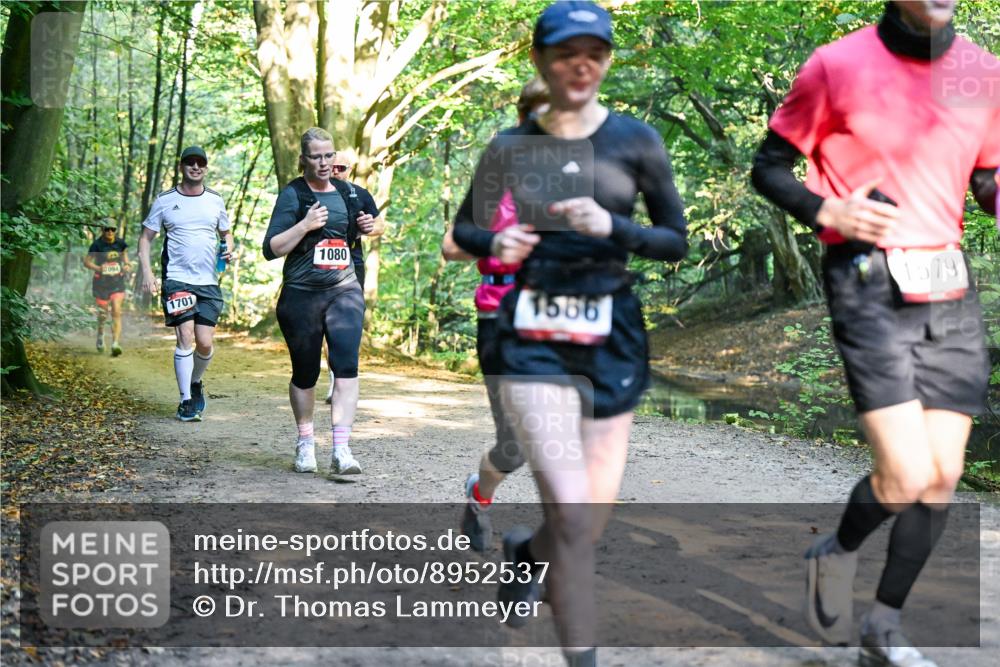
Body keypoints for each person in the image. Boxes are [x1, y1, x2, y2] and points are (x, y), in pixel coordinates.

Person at [751, 2, 998, 665]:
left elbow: (983, 175)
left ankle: (883, 626)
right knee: (906, 471)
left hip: (949, 286)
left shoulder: (975, 68)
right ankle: (835, 552)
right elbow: (768, 168)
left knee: (941, 477)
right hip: (866, 283)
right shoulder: (838, 65)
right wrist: (827, 207)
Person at [452, 3, 687, 665]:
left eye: (594, 52)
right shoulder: (510, 146)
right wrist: (496, 237)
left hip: (611, 334)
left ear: (607, 60)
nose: (580, 65)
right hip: (530, 338)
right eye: (564, 53)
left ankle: (527, 554)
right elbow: (466, 230)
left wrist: (613, 227)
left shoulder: (636, 140)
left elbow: (675, 241)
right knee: (575, 518)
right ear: (540, 61)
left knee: (581, 526)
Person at [441, 77, 550, 552]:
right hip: (499, 317)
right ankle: (479, 495)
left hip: (557, 318)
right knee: (515, 445)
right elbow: (450, 246)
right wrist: (497, 244)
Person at [262, 127, 376, 475]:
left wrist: (371, 226)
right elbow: (271, 249)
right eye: (316, 156)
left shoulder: (347, 192)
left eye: (329, 156)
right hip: (301, 295)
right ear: (304, 159)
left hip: (343, 289)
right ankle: (305, 442)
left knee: (346, 366)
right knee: (306, 373)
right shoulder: (293, 195)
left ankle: (342, 449)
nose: (324, 163)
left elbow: (366, 227)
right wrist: (305, 225)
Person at [138, 146, 234, 422]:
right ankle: (185, 400)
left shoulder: (215, 200)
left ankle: (195, 382)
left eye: (200, 163)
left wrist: (228, 248)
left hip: (208, 282)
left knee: (204, 343)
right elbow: (145, 239)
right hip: (177, 279)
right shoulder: (166, 200)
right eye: (190, 162)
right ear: (181, 167)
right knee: (186, 337)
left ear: (205, 167)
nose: (195, 167)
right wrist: (147, 272)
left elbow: (227, 234)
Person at [323, 148, 381, 405]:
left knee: (345, 324)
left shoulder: (361, 194)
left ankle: (341, 381)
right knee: (324, 325)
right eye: (332, 167)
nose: (336, 172)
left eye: (341, 168)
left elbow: (380, 225)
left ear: (350, 170)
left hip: (352, 264)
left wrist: (370, 226)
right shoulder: (313, 192)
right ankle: (333, 377)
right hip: (318, 267)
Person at [84, 223, 131, 356]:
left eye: (113, 229)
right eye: (107, 229)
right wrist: (98, 268)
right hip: (101, 284)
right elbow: (86, 262)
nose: (110, 232)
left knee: (116, 311)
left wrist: (127, 265)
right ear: (102, 230)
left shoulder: (121, 244)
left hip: (117, 282)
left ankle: (115, 343)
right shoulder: (97, 245)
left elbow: (126, 260)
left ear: (115, 230)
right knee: (103, 314)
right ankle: (100, 336)